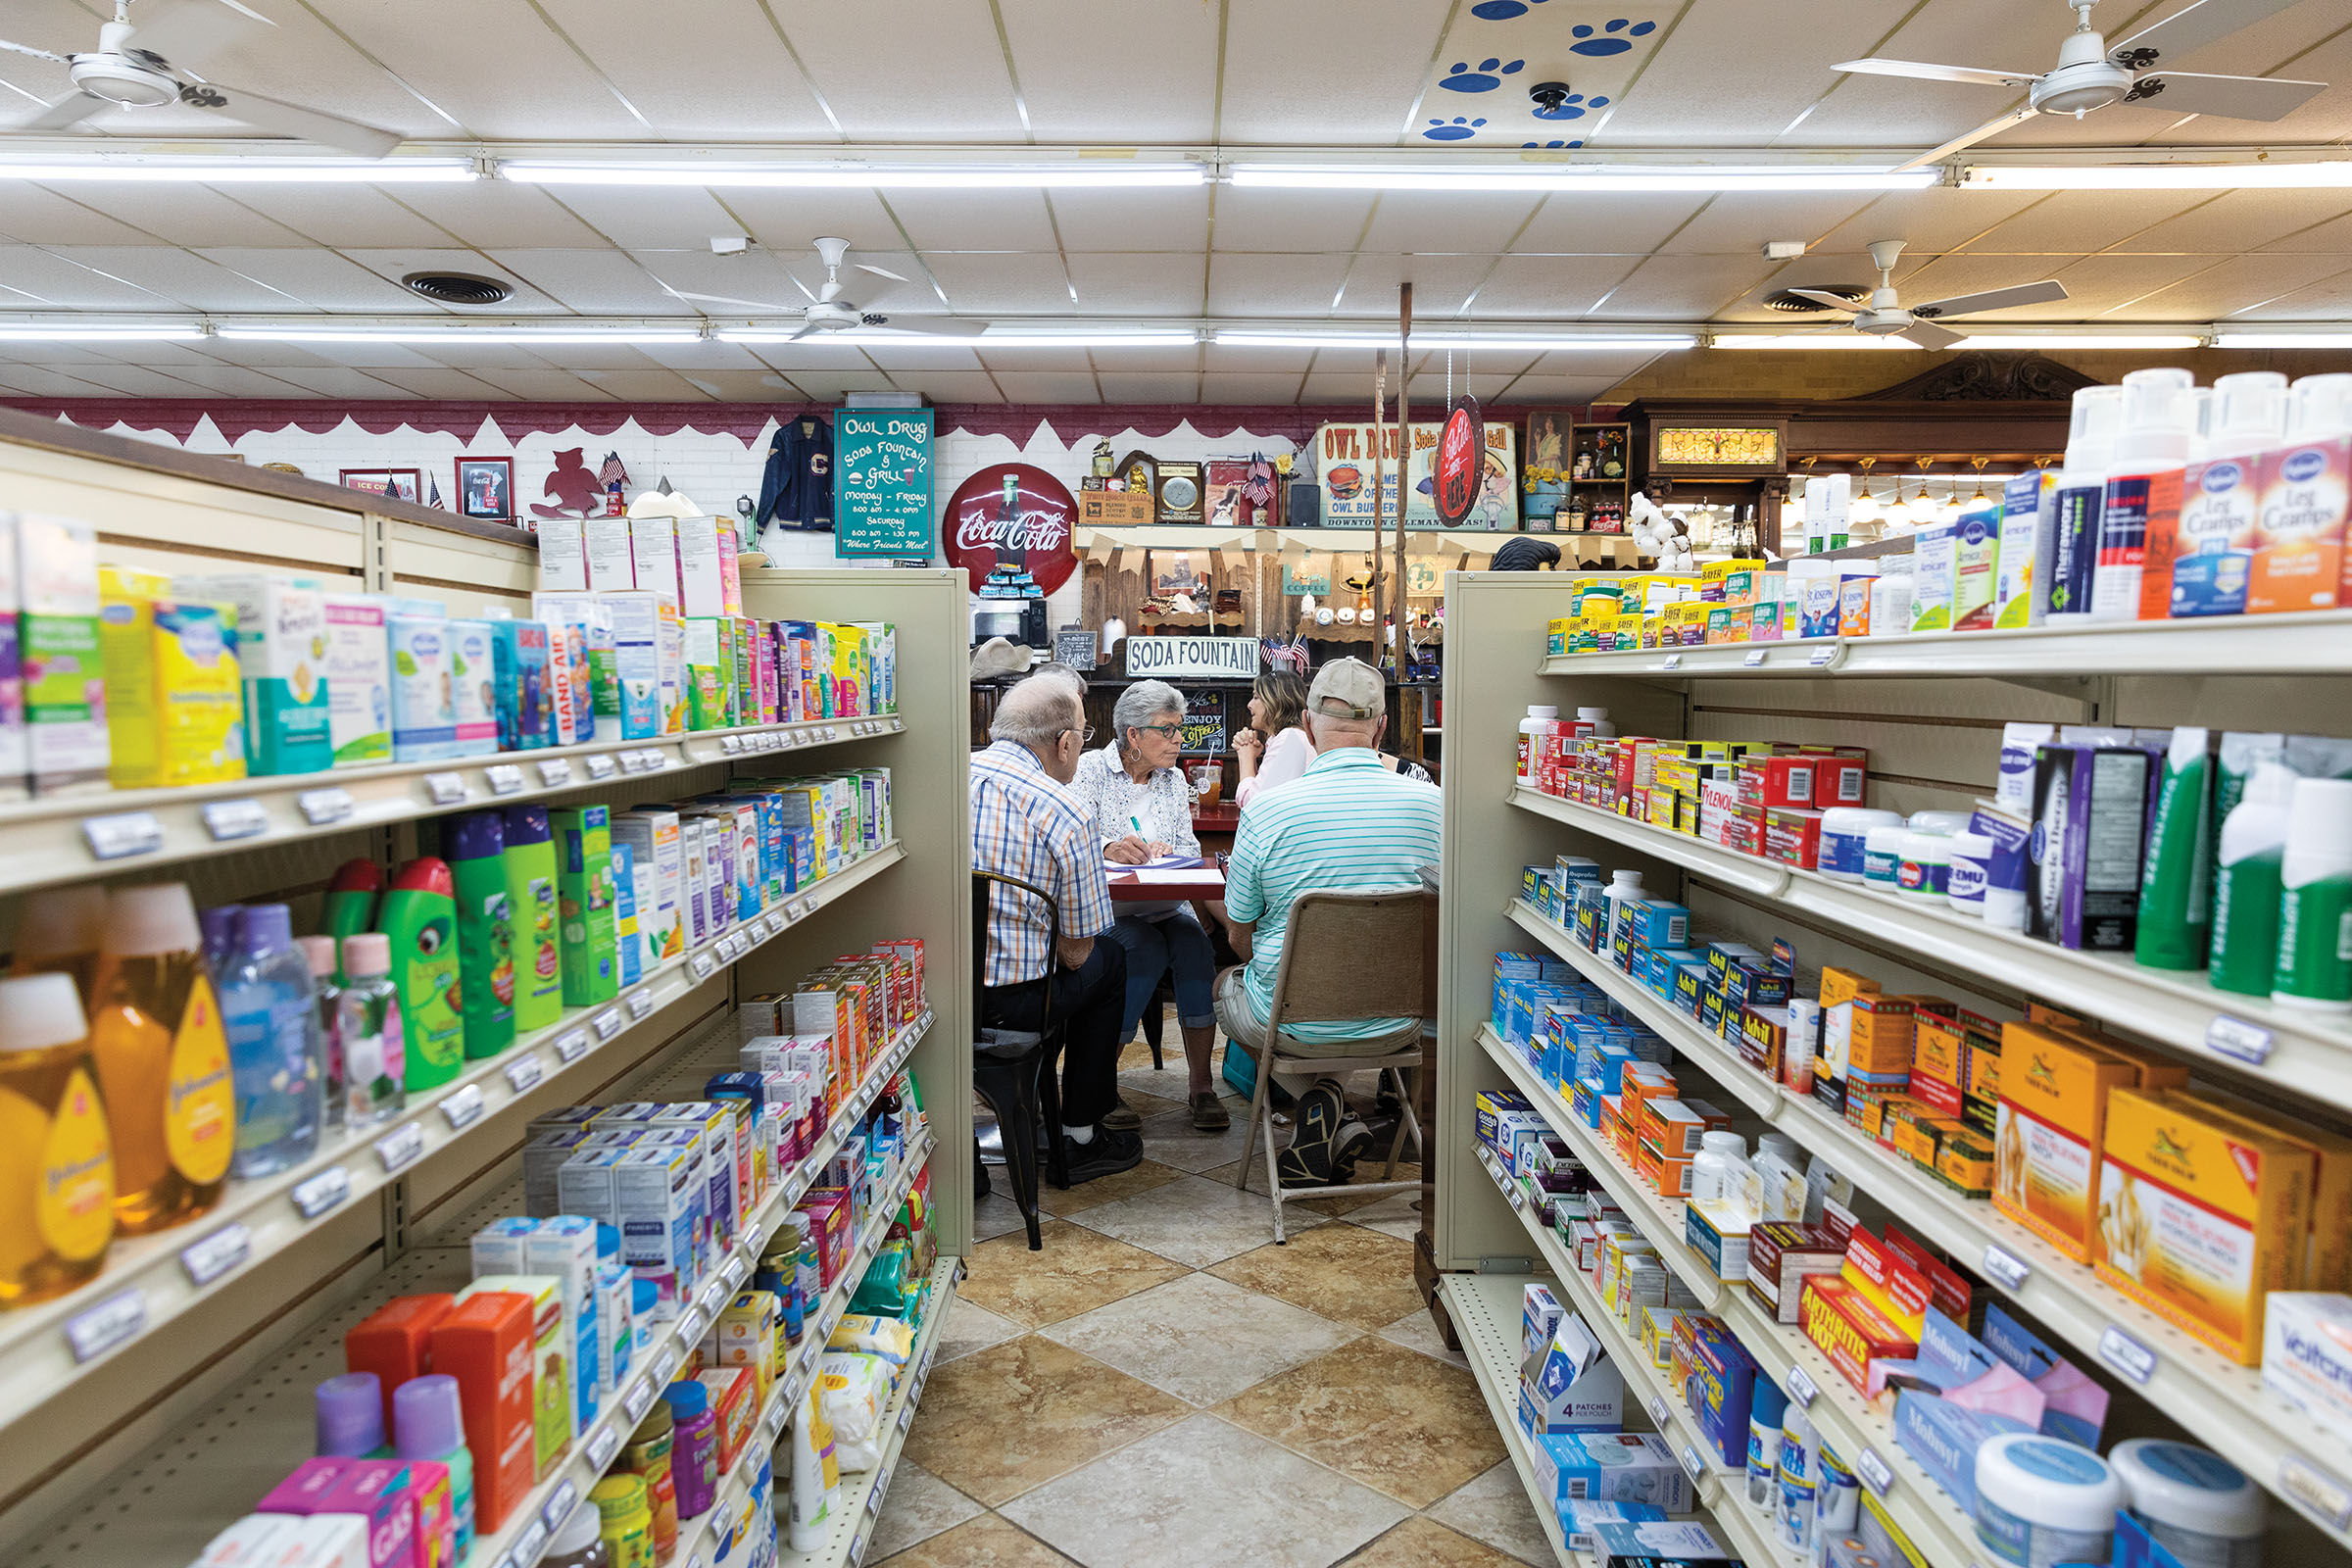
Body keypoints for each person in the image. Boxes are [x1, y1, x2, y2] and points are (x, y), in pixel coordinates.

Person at [1214, 657, 1440, 1186]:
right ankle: (1334, 1105)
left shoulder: (1267, 812)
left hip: (1291, 1021)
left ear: (1309, 723)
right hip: (1401, 1022)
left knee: (1226, 986)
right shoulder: (1436, 806)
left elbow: (1239, 933)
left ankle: (1322, 1100)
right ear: (1382, 725)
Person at [970, 674, 1143, 1182]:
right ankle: (1081, 1134)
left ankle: (973, 1151)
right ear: (1064, 743)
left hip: (928, 991)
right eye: (1083, 736)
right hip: (1012, 1003)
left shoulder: (940, 781)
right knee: (1108, 961)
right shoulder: (1065, 809)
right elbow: (1073, 955)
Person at [1067, 680, 1229, 1132]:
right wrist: (1110, 848)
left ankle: (1201, 1086)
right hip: (1109, 912)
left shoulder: (1174, 780)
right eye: (1168, 730)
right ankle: (1099, 1082)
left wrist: (1168, 851)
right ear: (1133, 734)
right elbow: (1076, 836)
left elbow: (1187, 846)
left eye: (1180, 730)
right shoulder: (1091, 769)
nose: (1179, 740)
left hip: (1163, 903)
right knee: (1140, 948)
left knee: (1195, 944)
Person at [1232, 668, 1312, 808]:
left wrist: (1246, 755)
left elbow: (1253, 806)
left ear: (1275, 701)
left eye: (1256, 697)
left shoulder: (1289, 738)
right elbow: (1269, 795)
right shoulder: (1296, 736)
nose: (1249, 705)